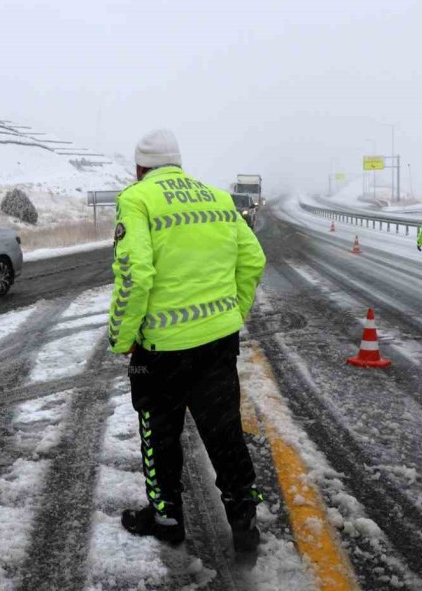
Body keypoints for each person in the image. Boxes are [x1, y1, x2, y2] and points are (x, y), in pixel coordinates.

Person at [108, 129, 267, 552]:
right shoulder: (217, 198)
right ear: (177, 163)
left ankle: (167, 519)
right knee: (225, 432)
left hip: (160, 352)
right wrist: (233, 314)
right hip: (217, 343)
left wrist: (121, 336)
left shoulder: (137, 198)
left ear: (140, 167)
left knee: (159, 435)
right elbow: (253, 259)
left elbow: (136, 275)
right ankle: (244, 517)